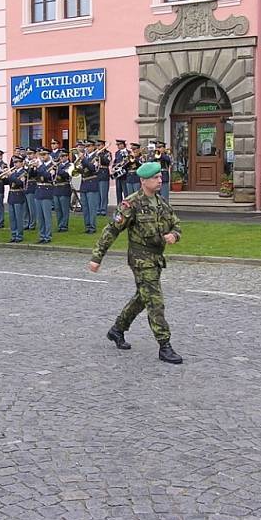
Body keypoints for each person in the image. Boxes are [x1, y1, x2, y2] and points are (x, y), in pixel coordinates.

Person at [88, 161, 184, 364]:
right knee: (155, 301)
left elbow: (176, 224)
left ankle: (117, 329)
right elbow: (111, 230)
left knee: (142, 297)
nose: (160, 180)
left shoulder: (161, 203)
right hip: (141, 260)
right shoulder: (131, 204)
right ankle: (164, 345)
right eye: (155, 178)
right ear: (143, 181)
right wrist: (97, 257)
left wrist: (174, 235)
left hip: (157, 259)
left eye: (160, 177)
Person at [34, 147, 56, 243]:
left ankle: (48, 236)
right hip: (38, 191)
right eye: (41, 155)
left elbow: (48, 176)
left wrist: (38, 168)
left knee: (47, 216)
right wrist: (33, 168)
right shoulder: (40, 166)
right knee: (40, 217)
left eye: (45, 155)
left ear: (49, 155)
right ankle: (42, 236)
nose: (43, 157)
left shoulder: (53, 166)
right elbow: (32, 175)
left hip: (47, 191)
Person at [80, 140, 100, 234]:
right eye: (86, 146)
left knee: (92, 208)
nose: (87, 148)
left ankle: (92, 227)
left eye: (88, 146)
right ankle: (87, 226)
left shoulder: (96, 156)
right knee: (85, 207)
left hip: (92, 183)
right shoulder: (85, 157)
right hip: (83, 184)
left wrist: (83, 160)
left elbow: (93, 168)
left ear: (93, 147)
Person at [6, 155, 28, 242]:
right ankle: (13, 234)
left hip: (19, 195)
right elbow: (7, 182)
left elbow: (19, 182)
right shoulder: (13, 173)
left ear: (22, 163)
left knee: (18, 217)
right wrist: (5, 177)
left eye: (17, 162)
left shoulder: (24, 172)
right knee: (12, 218)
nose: (15, 164)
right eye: (14, 162)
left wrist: (10, 176)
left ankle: (19, 235)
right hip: (11, 196)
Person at [53, 151, 72, 232]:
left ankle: (64, 226)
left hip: (64, 188)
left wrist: (57, 168)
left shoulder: (70, 165)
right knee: (58, 209)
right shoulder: (59, 165)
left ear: (67, 156)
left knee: (64, 209)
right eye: (60, 156)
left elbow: (66, 175)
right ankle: (60, 225)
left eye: (63, 156)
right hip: (56, 189)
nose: (61, 158)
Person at [95, 139, 111, 216]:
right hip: (97, 174)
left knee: (103, 193)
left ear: (103, 146)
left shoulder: (107, 153)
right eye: (97, 145)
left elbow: (108, 162)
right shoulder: (95, 153)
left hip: (104, 174)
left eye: (99, 145)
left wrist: (100, 154)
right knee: (97, 193)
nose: (98, 147)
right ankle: (97, 208)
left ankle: (103, 209)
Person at [111, 139, 129, 205]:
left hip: (125, 175)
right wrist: (113, 168)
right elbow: (115, 162)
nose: (118, 146)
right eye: (117, 145)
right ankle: (119, 205)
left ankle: (126, 206)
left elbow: (128, 163)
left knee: (125, 192)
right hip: (118, 175)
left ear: (123, 145)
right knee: (118, 192)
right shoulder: (117, 153)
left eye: (119, 145)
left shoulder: (128, 152)